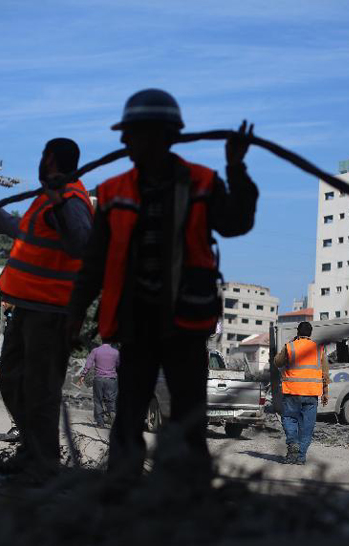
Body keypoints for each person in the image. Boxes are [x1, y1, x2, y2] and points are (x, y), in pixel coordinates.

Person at [69, 88, 258, 486]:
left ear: (161, 135)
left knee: (189, 416)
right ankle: (121, 491)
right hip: (135, 324)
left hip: (185, 324)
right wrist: (72, 319)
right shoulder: (113, 190)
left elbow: (236, 223)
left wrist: (236, 167)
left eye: (131, 133)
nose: (123, 142)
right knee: (129, 415)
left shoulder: (203, 182)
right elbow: (94, 265)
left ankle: (190, 496)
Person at [0, 138, 93, 482]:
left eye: (42, 158)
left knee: (41, 390)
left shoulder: (70, 198)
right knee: (13, 380)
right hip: (28, 308)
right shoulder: (46, 198)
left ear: (50, 161)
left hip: (50, 312)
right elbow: (33, 236)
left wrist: (60, 202)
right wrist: (3, 222)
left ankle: (43, 464)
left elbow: (82, 242)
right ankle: (33, 451)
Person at [273, 321, 330, 465]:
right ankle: (300, 457)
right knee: (307, 425)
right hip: (311, 393)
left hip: (292, 391)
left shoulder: (290, 346)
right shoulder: (319, 348)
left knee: (288, 419)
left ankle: (293, 444)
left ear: (297, 332)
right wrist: (325, 392)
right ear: (310, 333)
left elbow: (277, 362)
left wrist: (290, 344)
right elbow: (325, 373)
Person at [0, 301, 19, 443]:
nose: (2, 303)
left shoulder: (23, 317)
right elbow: (4, 339)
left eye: (6, 299)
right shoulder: (9, 317)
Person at [78, 342, 121, 427]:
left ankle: (100, 423)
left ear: (102, 340)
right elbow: (119, 365)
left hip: (99, 379)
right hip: (111, 380)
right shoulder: (116, 352)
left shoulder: (96, 351)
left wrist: (83, 375)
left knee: (98, 401)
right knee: (111, 399)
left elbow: (88, 364)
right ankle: (112, 412)